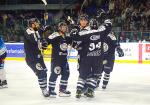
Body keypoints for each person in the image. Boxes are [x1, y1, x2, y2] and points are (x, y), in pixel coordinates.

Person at [71, 13, 112, 98]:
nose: (83, 21)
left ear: (88, 23)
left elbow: (74, 38)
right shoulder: (101, 31)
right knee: (94, 75)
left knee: (83, 74)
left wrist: (74, 31)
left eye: (85, 20)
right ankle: (89, 90)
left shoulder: (84, 32)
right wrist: (105, 18)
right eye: (82, 20)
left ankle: (80, 90)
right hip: (96, 58)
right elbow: (109, 25)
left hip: (86, 57)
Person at [24, 18, 49, 97]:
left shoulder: (36, 31)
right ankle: (44, 89)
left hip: (39, 57)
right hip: (32, 58)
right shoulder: (28, 31)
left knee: (44, 71)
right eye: (37, 23)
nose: (39, 24)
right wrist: (40, 31)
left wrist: (44, 43)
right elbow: (34, 39)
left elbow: (40, 40)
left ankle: (44, 87)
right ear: (33, 24)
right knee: (41, 72)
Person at [46, 22, 72, 97]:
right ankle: (51, 90)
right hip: (56, 59)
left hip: (64, 59)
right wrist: (44, 41)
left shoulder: (67, 35)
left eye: (65, 27)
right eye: (62, 27)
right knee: (54, 74)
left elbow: (73, 43)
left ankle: (62, 90)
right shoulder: (55, 34)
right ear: (59, 28)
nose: (64, 28)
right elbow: (47, 41)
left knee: (66, 73)